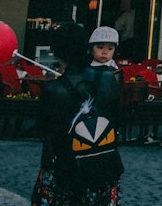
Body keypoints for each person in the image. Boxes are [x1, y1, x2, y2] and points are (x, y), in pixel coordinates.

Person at [33, 22, 124, 206]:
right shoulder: (108, 78)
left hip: (64, 168)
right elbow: (117, 118)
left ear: (58, 52)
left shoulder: (53, 89)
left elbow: (43, 129)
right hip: (102, 165)